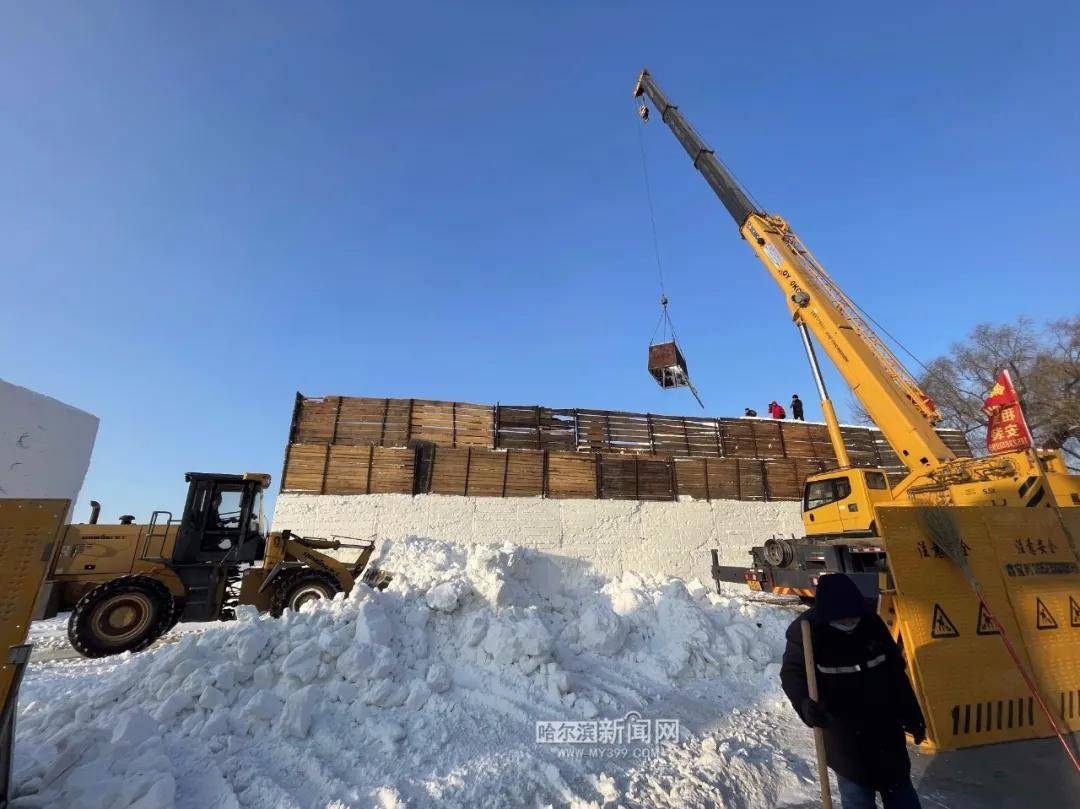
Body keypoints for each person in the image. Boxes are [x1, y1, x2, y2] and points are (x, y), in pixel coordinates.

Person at [780, 574, 925, 809]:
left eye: (853, 617)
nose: (849, 622)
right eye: (842, 619)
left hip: (885, 727)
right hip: (844, 735)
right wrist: (805, 704)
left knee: (901, 794)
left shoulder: (871, 624)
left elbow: (895, 673)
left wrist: (912, 715)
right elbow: (792, 675)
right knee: (857, 798)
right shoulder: (807, 632)